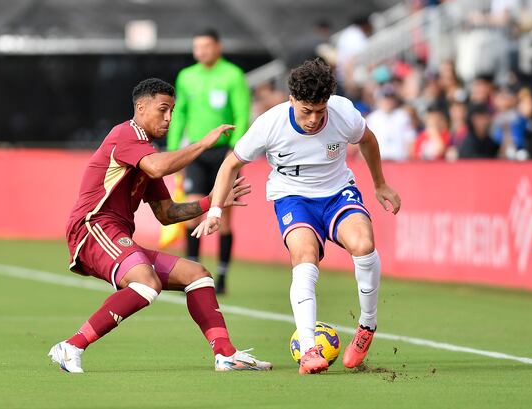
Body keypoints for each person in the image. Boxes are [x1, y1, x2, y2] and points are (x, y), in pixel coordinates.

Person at [48, 78, 271, 373]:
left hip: (115, 233)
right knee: (146, 282)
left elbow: (167, 213)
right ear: (141, 107)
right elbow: (158, 167)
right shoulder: (124, 135)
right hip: (92, 227)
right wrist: (203, 142)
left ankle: (225, 353)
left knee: (198, 275)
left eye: (172, 111)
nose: (168, 118)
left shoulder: (146, 152)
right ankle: (71, 346)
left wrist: (213, 201)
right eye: (162, 109)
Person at [192, 59, 401, 374]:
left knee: (364, 244)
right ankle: (308, 350)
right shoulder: (270, 124)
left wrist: (380, 183)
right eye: (307, 111)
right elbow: (230, 164)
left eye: (320, 110)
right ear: (291, 100)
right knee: (304, 257)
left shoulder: (343, 113)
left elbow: (367, 140)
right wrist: (216, 210)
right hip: (293, 198)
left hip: (336, 193)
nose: (315, 119)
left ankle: (366, 327)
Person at [166, 28, 250, 294]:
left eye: (205, 46)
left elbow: (242, 114)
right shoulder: (186, 76)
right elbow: (179, 116)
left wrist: (236, 151)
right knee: (192, 212)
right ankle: (192, 273)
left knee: (223, 216)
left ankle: (223, 275)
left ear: (218, 47)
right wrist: (172, 153)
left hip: (224, 154)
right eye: (197, 46)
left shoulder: (232, 75)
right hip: (195, 153)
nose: (200, 51)